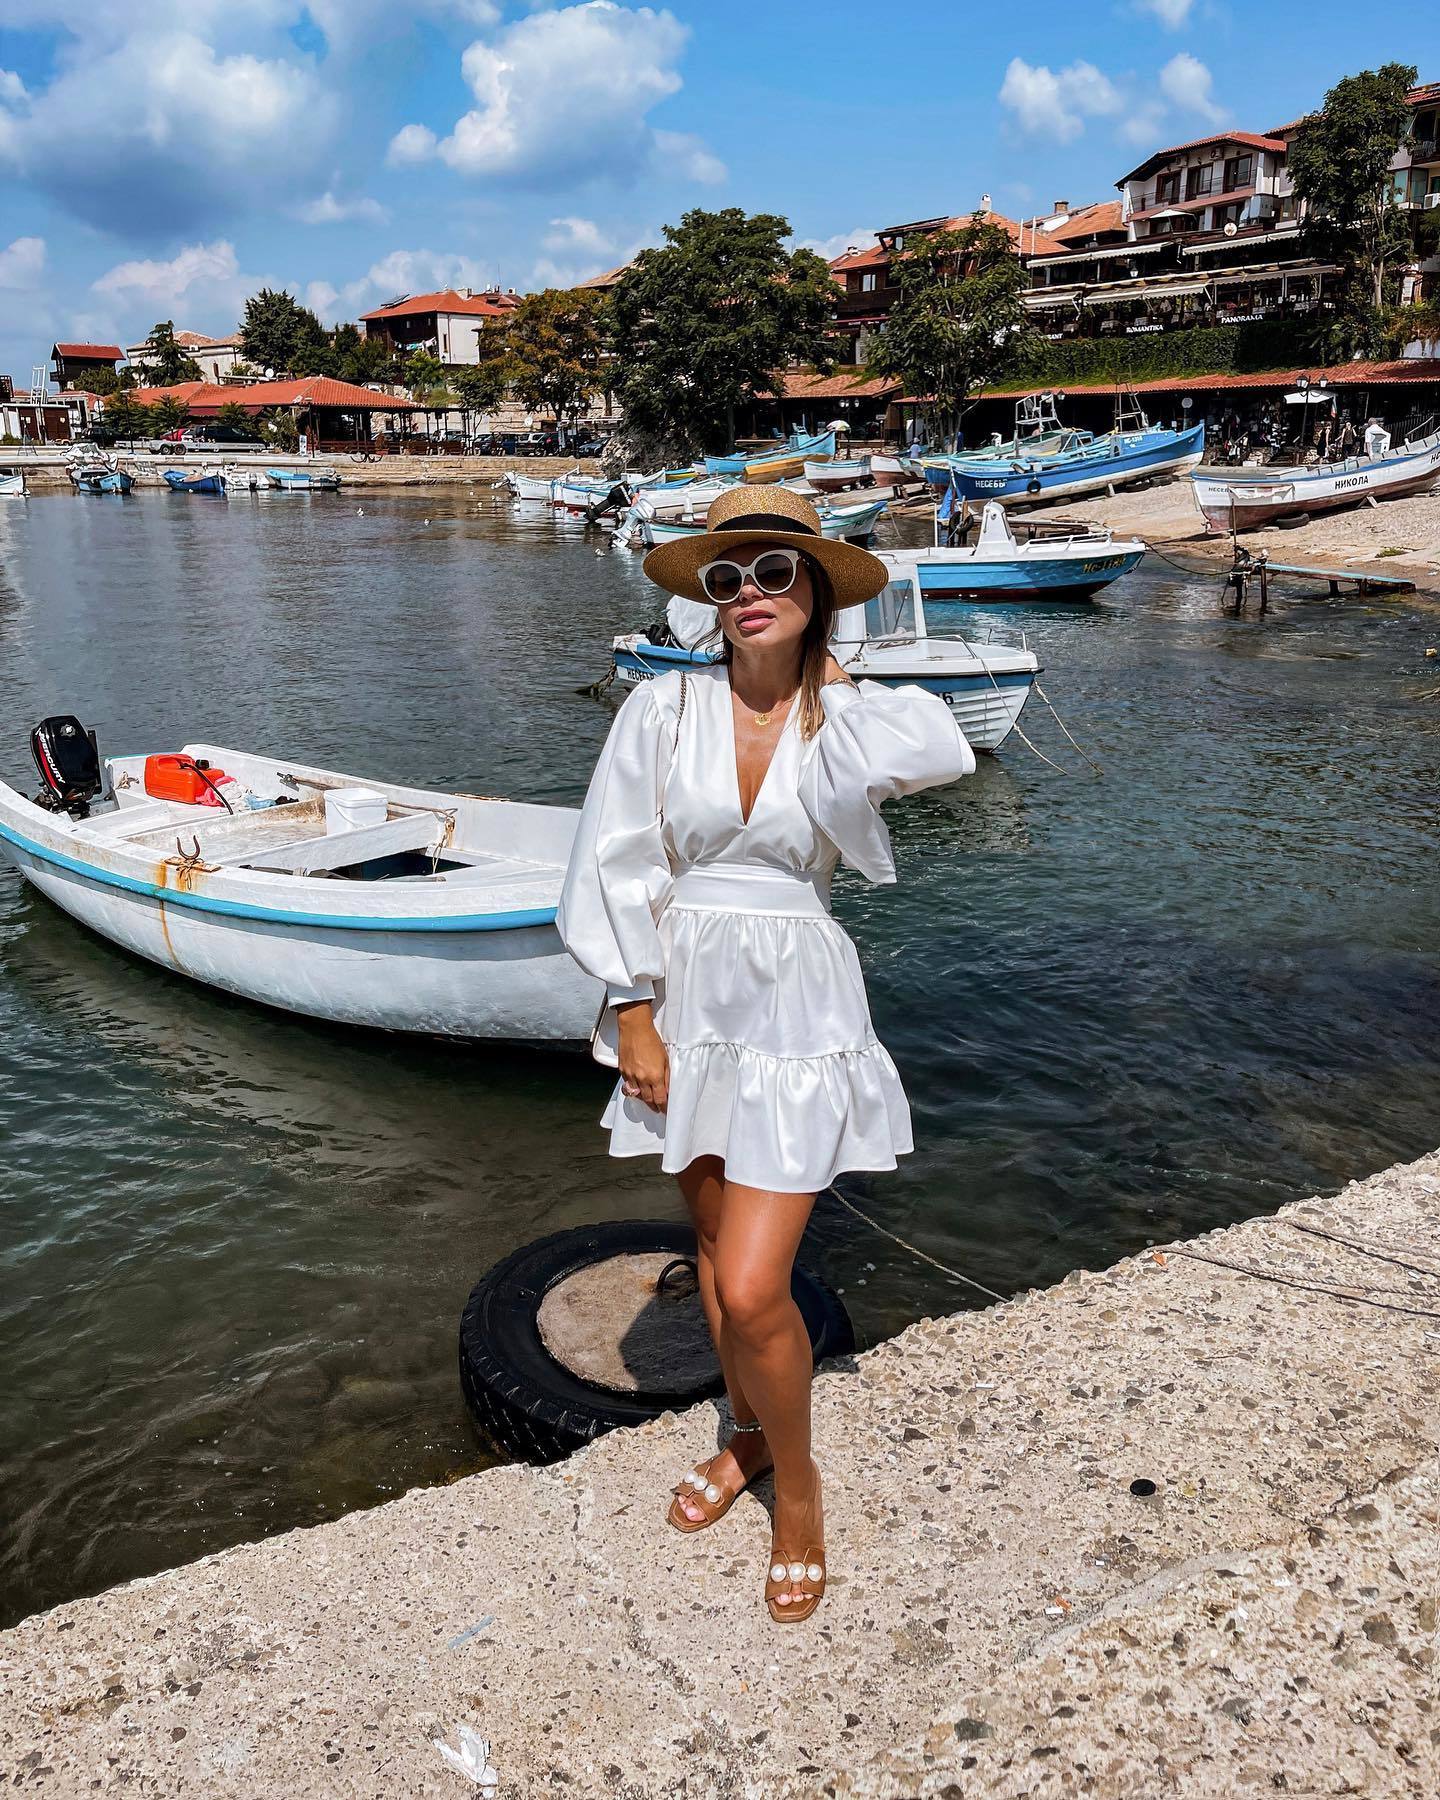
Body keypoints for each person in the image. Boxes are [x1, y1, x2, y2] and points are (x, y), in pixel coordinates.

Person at [557, 486, 974, 1625]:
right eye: (728, 577)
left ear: (817, 590)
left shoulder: (844, 720)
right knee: (707, 1247)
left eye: (778, 572)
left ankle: (797, 1489)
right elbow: (610, 858)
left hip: (796, 1003)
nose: (749, 592)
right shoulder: (661, 709)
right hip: (680, 995)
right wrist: (632, 1010)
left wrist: (825, 672)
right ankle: (743, 1433)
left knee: (751, 1285)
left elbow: (942, 746)